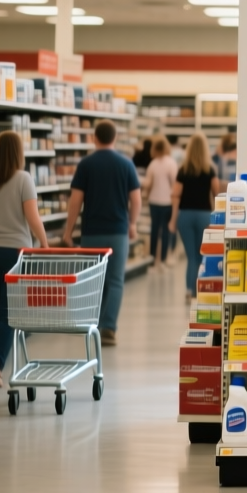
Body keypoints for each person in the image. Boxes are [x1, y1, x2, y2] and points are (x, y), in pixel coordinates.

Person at [0, 130, 48, 389]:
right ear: (18, 153)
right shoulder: (24, 178)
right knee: (9, 313)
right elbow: (32, 217)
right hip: (13, 253)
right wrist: (44, 244)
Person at [61, 120, 141, 346]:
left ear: (95, 138)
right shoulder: (126, 164)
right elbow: (136, 199)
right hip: (118, 232)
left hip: (91, 233)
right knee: (115, 281)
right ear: (114, 138)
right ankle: (109, 328)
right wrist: (132, 224)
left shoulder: (86, 164)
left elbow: (75, 201)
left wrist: (68, 231)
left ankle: (91, 325)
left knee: (93, 281)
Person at [171, 134, 222, 298]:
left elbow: (175, 194)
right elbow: (217, 193)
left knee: (191, 256)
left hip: (185, 216)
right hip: (204, 216)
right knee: (202, 255)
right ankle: (199, 290)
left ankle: (188, 289)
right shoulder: (210, 170)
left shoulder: (183, 170)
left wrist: (173, 219)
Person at [143, 136, 178, 269]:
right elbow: (175, 183)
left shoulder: (153, 164)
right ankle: (163, 260)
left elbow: (148, 184)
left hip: (154, 201)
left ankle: (152, 260)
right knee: (165, 231)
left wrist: (146, 196)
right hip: (167, 201)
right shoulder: (171, 163)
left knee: (154, 230)